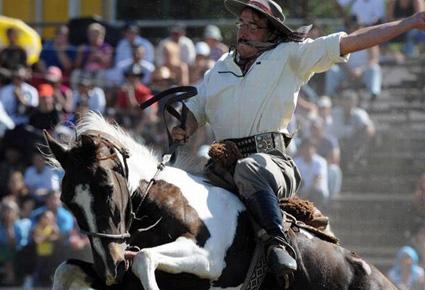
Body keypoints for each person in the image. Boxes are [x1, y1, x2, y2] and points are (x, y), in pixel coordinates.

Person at [171, 0, 425, 281]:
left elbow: (351, 42)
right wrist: (183, 125)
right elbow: (195, 108)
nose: (243, 30)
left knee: (249, 169)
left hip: (271, 164)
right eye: (241, 23)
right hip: (221, 168)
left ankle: (277, 242)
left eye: (253, 25)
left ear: (271, 32)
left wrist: (409, 22)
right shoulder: (219, 68)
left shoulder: (290, 55)